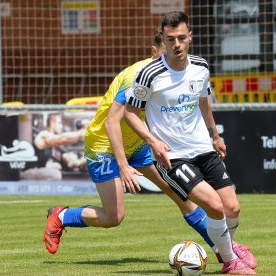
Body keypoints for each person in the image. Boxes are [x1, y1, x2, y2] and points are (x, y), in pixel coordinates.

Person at [43, 28, 222, 262]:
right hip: (104, 145)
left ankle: (221, 249)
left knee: (179, 193)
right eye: (164, 52)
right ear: (154, 51)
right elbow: (111, 123)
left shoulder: (175, 74)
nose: (170, 58)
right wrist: (123, 165)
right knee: (113, 217)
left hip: (137, 143)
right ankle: (63, 215)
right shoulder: (136, 76)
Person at [124, 11, 257, 275]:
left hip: (204, 149)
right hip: (172, 157)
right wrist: (153, 142)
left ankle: (224, 248)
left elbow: (204, 101)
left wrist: (215, 136)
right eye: (171, 38)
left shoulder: (201, 66)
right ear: (163, 38)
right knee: (214, 206)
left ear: (190, 38)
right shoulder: (149, 74)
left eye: (181, 38)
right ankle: (230, 262)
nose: (176, 44)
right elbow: (130, 113)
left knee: (232, 207)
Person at [20, 113, 87, 180]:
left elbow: (70, 161)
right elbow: (62, 138)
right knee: (55, 174)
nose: (61, 126)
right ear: (52, 124)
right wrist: (81, 133)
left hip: (35, 172)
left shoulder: (56, 145)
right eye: (59, 123)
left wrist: (83, 163)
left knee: (57, 168)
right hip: (26, 172)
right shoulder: (43, 135)